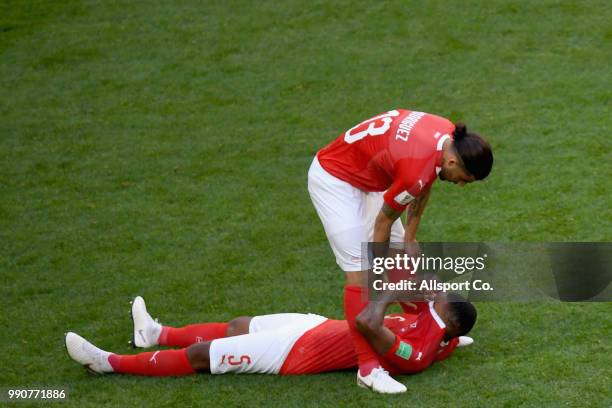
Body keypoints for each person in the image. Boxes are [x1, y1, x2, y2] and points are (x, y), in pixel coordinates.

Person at [308, 109, 493, 392]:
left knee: (401, 260)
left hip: (369, 176)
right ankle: (368, 369)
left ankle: (428, 326)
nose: (458, 184)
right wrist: (378, 278)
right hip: (337, 181)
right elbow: (383, 222)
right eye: (462, 179)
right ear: (454, 161)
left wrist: (409, 238)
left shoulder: (444, 135)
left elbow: (425, 182)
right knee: (361, 273)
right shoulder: (416, 169)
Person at [65, 294, 476, 389]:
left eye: (437, 300)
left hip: (297, 354)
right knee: (238, 324)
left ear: (444, 318)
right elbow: (454, 338)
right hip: (316, 326)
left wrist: (382, 291)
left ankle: (108, 362)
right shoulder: (440, 333)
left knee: (203, 355)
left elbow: (369, 324)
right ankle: (154, 334)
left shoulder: (418, 351)